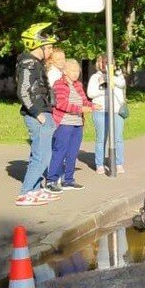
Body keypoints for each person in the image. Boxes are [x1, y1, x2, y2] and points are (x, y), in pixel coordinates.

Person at [15, 23, 61, 205]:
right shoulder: (28, 64)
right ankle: (25, 192)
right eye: (48, 47)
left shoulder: (35, 64)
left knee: (42, 154)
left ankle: (35, 190)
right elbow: (24, 91)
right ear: (36, 46)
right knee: (41, 156)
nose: (50, 50)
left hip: (44, 111)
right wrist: (37, 113)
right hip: (38, 113)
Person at [48, 59, 98, 192]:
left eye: (78, 71)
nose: (76, 73)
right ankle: (52, 180)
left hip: (77, 123)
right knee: (60, 151)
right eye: (73, 71)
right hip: (64, 123)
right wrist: (81, 109)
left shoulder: (78, 85)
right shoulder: (59, 85)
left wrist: (93, 106)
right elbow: (61, 104)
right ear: (65, 71)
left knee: (72, 153)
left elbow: (84, 101)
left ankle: (68, 180)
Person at [87, 54, 127, 175]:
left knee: (118, 138)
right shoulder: (95, 77)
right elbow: (90, 93)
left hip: (116, 111)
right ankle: (99, 164)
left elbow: (121, 84)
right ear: (98, 64)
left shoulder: (118, 76)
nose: (104, 65)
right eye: (102, 62)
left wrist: (109, 77)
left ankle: (118, 163)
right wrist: (103, 90)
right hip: (101, 111)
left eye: (108, 62)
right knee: (101, 139)